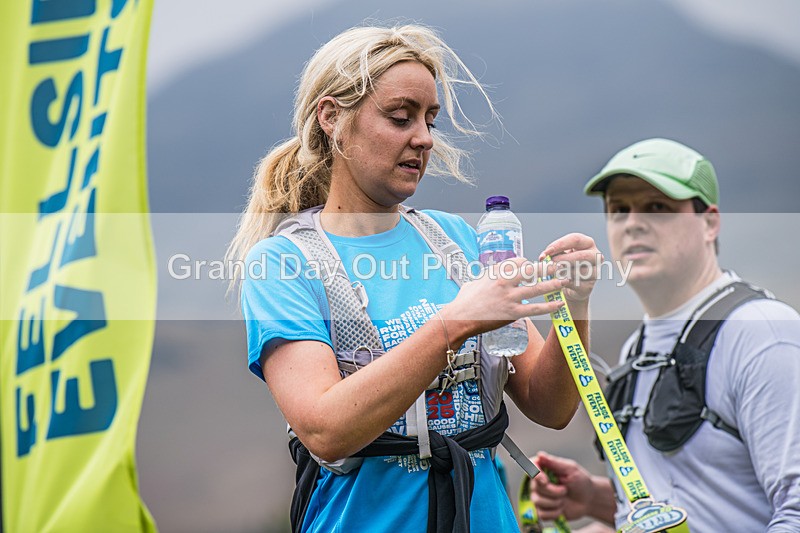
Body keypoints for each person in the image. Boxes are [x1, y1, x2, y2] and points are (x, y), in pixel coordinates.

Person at [226, 24, 603, 533]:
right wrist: (455, 323)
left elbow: (551, 405)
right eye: (400, 117)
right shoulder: (284, 262)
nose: (423, 138)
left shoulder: (456, 241)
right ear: (333, 118)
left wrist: (572, 307)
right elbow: (325, 429)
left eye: (429, 118)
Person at [527, 138, 800, 532]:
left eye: (658, 207)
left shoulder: (761, 335)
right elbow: (695, 504)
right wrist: (596, 499)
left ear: (710, 222)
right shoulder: (637, 349)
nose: (633, 222)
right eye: (619, 209)